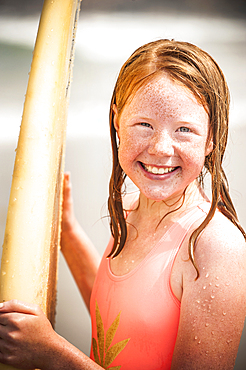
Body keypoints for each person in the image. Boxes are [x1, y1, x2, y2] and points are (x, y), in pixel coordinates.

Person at [0, 39, 245, 370]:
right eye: (144, 124)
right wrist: (67, 235)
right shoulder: (131, 210)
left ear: (211, 138)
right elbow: (120, 318)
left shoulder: (215, 248)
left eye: (184, 130)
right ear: (117, 119)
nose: (160, 148)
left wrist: (55, 355)